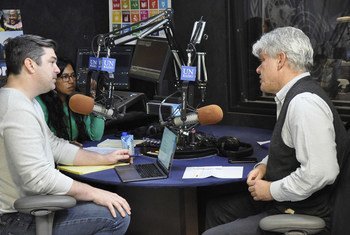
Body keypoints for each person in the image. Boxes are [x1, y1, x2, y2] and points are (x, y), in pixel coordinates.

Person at [203, 26, 350, 235]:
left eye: (263, 61)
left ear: (280, 60)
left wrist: (271, 190)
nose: (258, 69)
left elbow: (322, 172)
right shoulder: (289, 96)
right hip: (287, 201)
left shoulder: (304, 103)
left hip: (303, 211)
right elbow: (289, 151)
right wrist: (264, 166)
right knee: (216, 210)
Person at [0, 34, 131, 234]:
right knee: (116, 217)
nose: (56, 69)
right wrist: (95, 193)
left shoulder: (26, 101)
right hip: (17, 220)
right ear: (30, 65)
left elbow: (55, 146)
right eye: (52, 62)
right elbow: (39, 178)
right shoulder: (16, 109)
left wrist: (102, 158)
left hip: (29, 209)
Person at [36, 57, 105, 144]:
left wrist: (97, 101)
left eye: (73, 75)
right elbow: (38, 141)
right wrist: (67, 146)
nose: (71, 81)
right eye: (65, 77)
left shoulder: (77, 101)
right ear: (53, 78)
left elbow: (95, 136)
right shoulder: (41, 104)